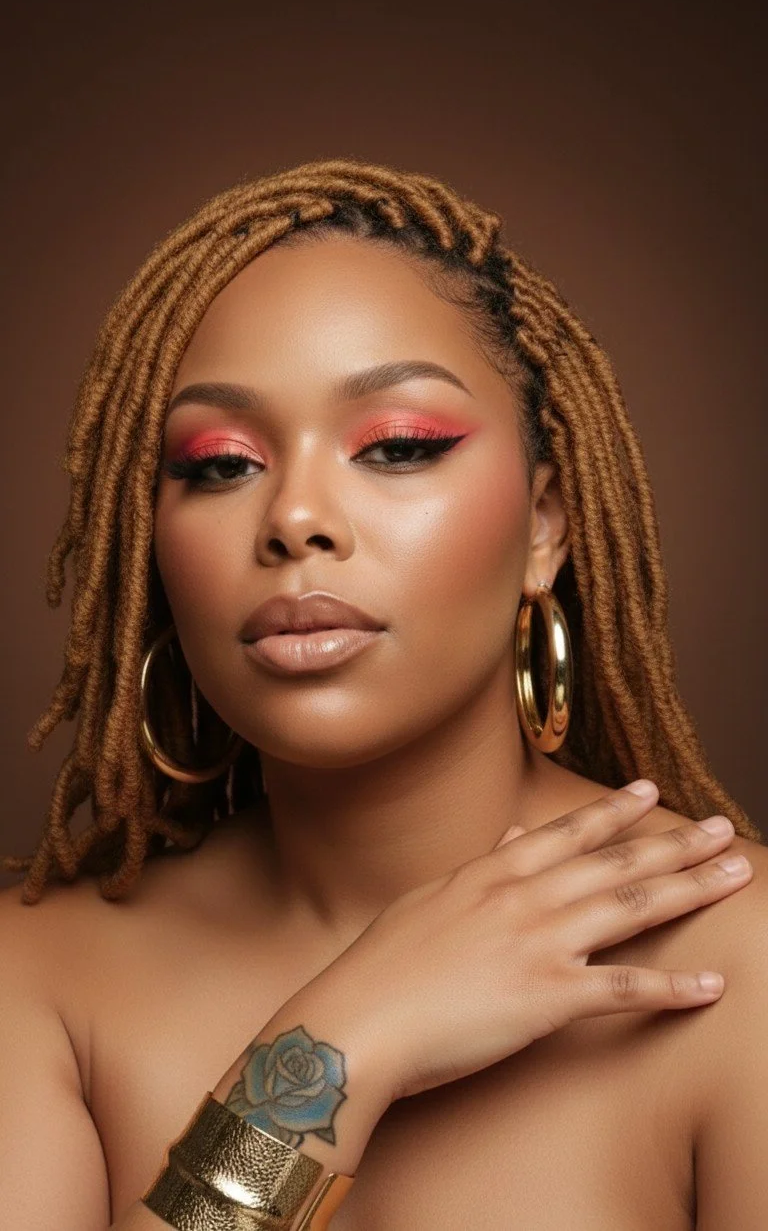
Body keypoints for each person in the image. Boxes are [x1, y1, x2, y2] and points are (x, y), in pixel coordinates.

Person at [0, 158, 765, 1230]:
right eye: (221, 463)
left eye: (398, 446)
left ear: (545, 524)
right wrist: (348, 1036)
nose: (296, 518)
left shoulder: (739, 969)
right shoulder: (33, 981)